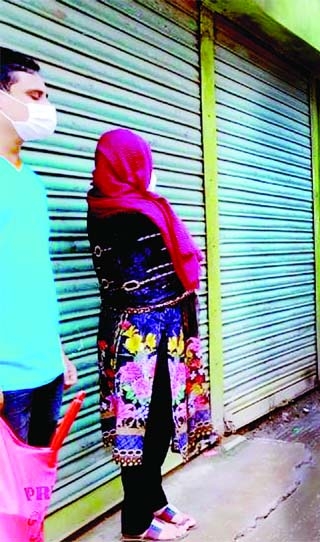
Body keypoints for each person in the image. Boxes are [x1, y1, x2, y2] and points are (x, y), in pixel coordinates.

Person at [87, 128, 217, 541]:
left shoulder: (108, 204)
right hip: (142, 342)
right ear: (129, 164)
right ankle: (136, 522)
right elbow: (164, 273)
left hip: (141, 334)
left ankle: (154, 499)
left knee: (148, 425)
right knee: (148, 428)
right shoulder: (131, 214)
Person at [0, 47, 77, 446]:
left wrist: (57, 351)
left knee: (34, 491)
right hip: (7, 378)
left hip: (45, 370)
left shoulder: (31, 181)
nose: (46, 107)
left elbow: (33, 274)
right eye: (34, 97)